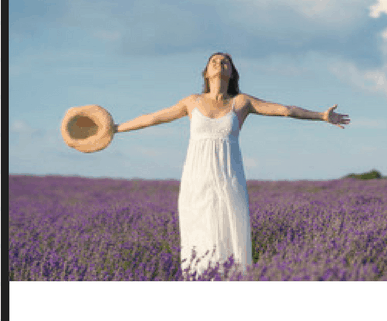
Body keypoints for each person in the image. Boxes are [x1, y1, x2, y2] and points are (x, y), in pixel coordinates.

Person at [113, 52, 350, 279]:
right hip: (196, 180)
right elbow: (153, 118)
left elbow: (285, 110)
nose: (220, 63)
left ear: (232, 72)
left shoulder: (241, 102)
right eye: (214, 61)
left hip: (229, 178)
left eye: (225, 62)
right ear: (206, 72)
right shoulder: (191, 102)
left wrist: (321, 116)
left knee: (230, 234)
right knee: (198, 236)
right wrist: (116, 128)